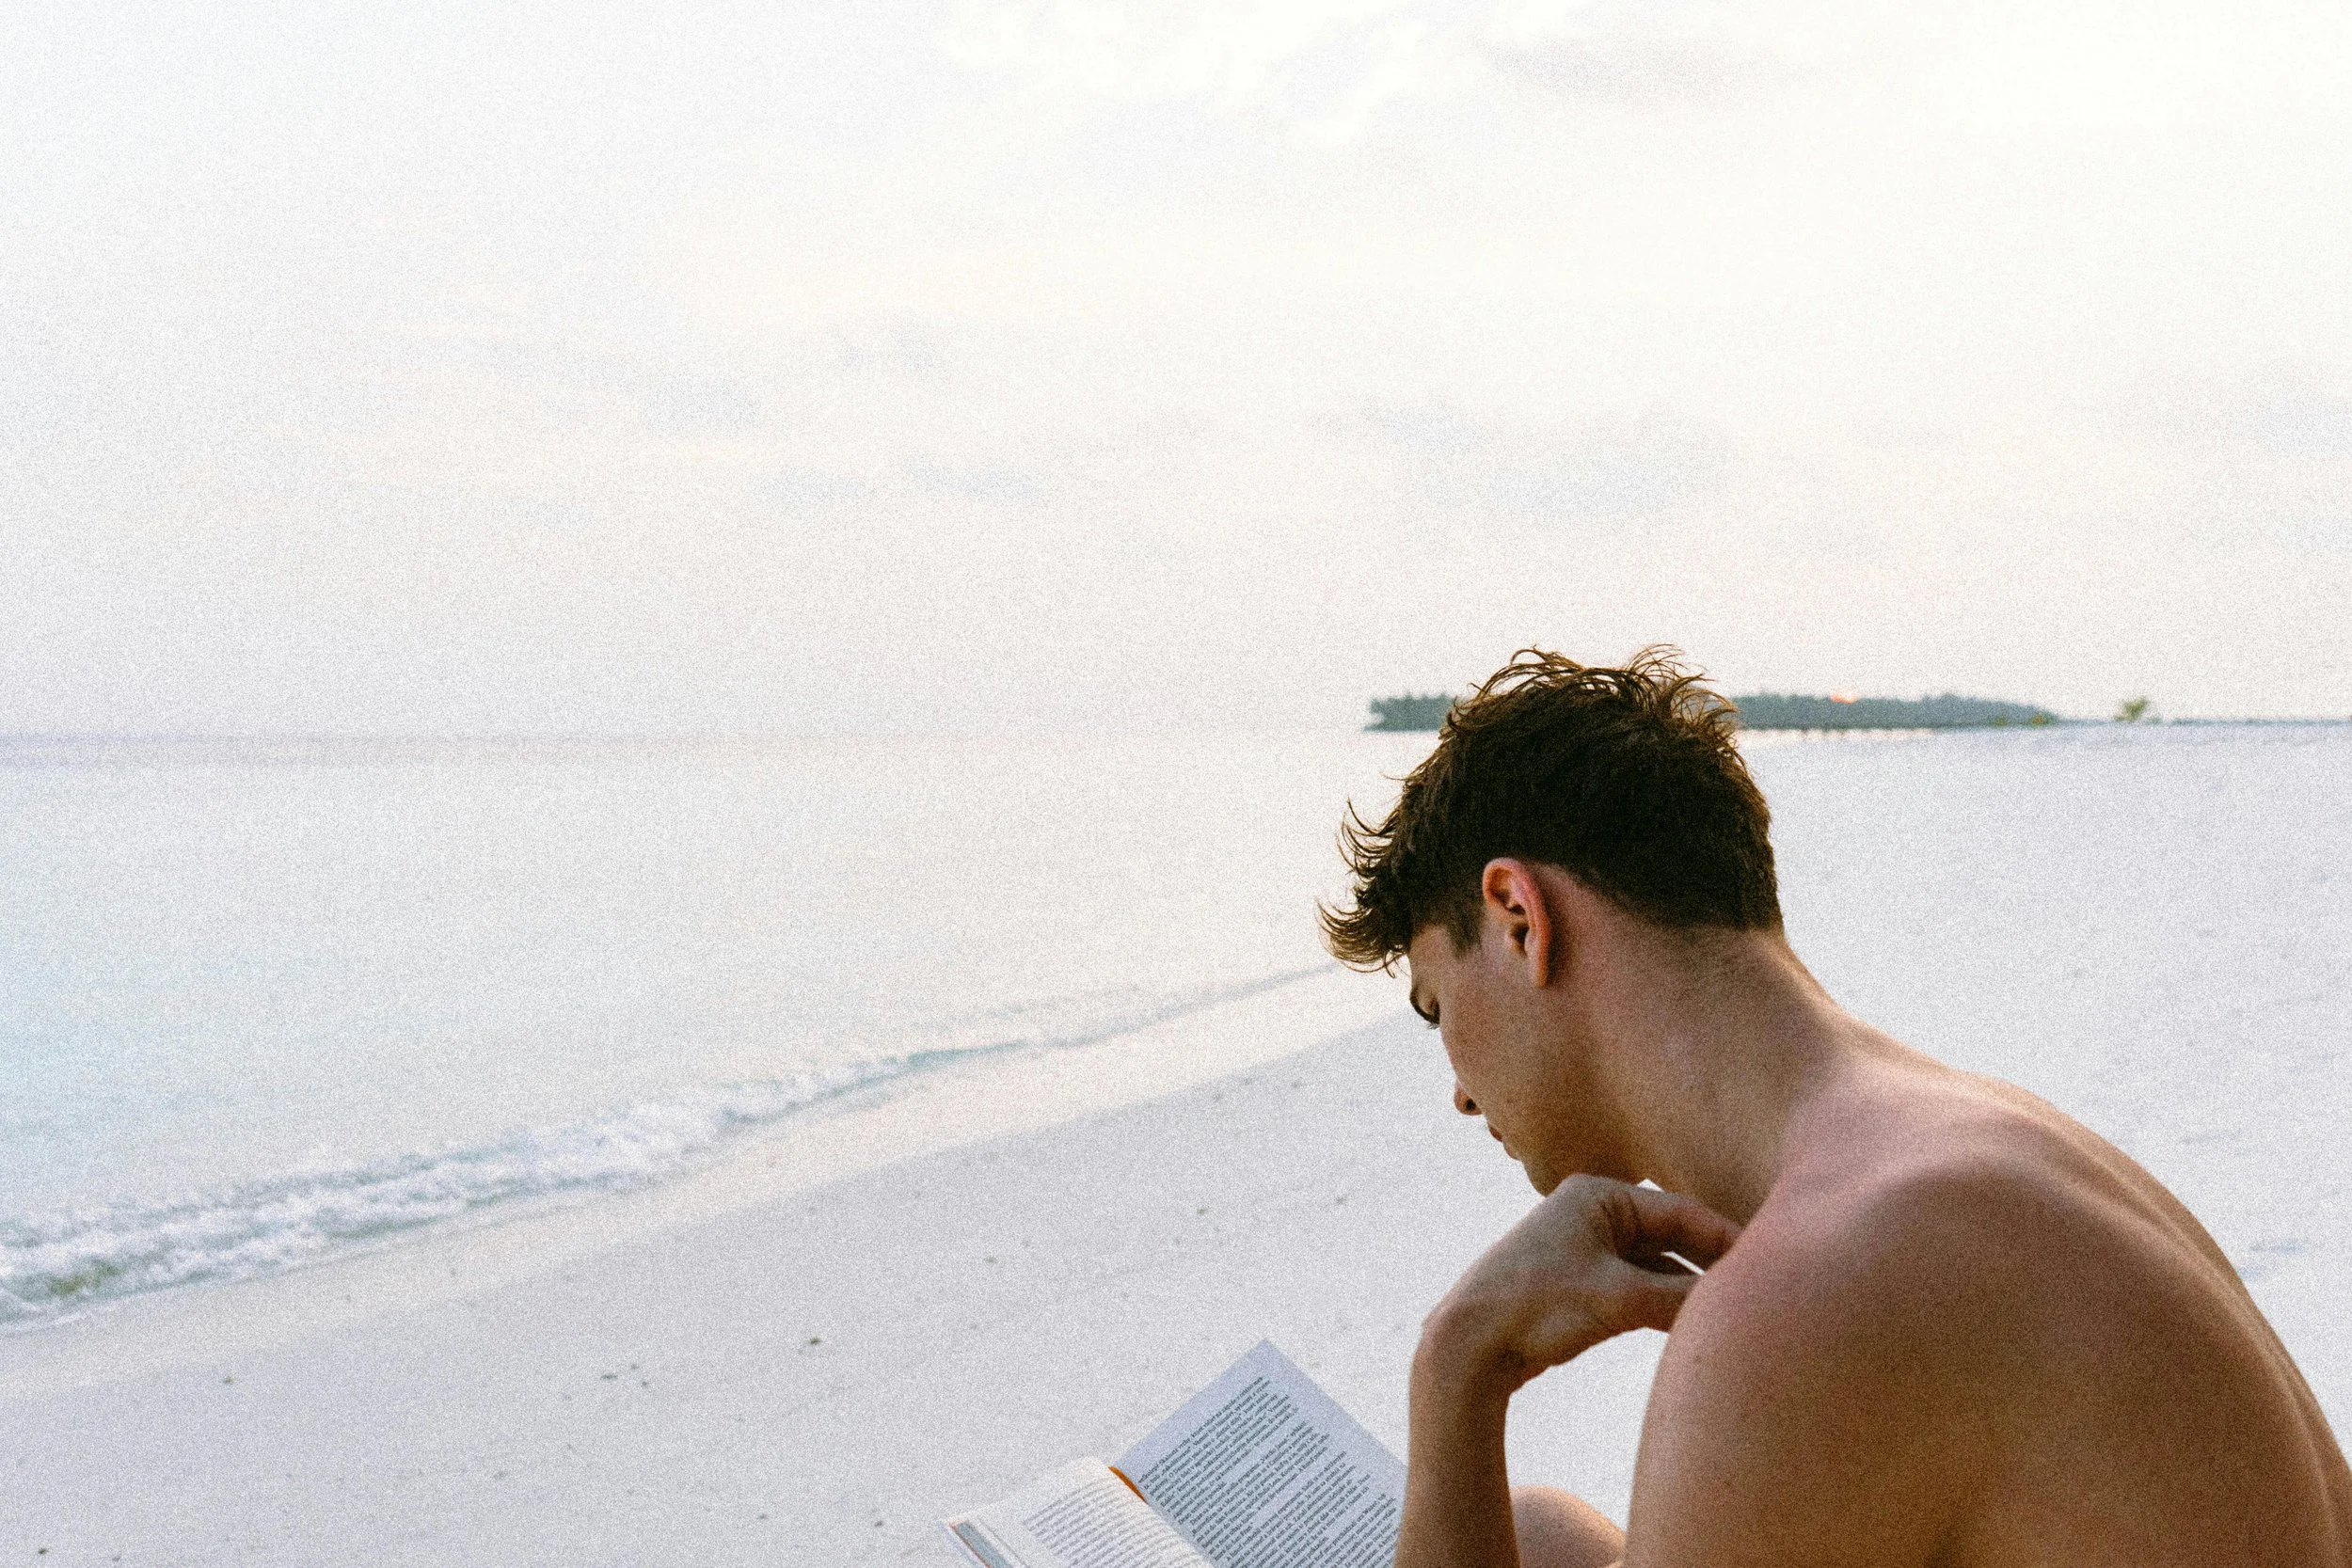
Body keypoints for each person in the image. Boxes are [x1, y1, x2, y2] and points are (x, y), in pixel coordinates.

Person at [1321, 648, 2351, 1568]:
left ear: (1516, 917)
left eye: (1435, 1005)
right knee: (1542, 1539)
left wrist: (1456, 1365)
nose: (1458, 1087)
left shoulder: (1815, 1288)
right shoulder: (1975, 1147)